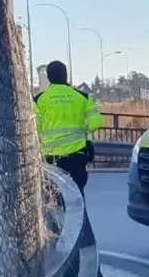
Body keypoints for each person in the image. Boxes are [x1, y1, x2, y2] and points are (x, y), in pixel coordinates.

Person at [33, 60, 102, 192]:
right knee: (77, 195)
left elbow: (35, 127)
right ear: (66, 75)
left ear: (48, 77)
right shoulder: (82, 97)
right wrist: (81, 130)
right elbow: (96, 122)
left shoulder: (40, 100)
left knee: (55, 196)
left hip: (52, 158)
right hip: (76, 155)